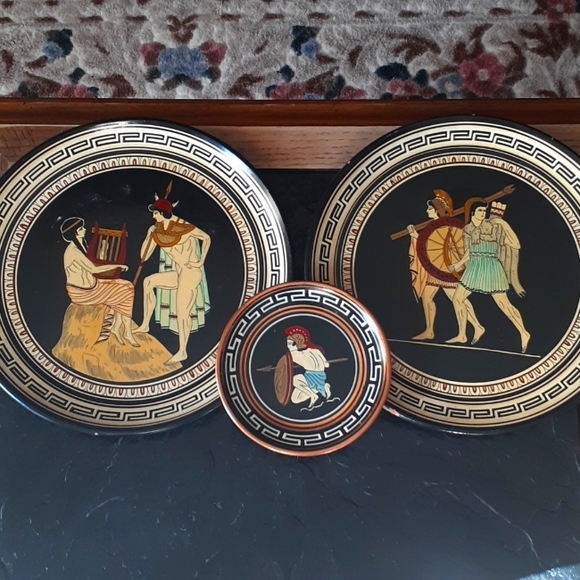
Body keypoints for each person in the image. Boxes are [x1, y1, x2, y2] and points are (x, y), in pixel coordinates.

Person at [134, 195, 211, 366]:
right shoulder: (158, 231)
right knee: (148, 282)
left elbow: (206, 237)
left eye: (155, 212)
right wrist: (148, 236)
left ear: (163, 213)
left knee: (182, 310)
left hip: (191, 272)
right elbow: (144, 256)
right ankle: (145, 324)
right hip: (178, 273)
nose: (153, 215)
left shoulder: (183, 227)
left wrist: (200, 261)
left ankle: (182, 351)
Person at [448, 199, 530, 352]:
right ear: (472, 212)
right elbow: (469, 251)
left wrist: (503, 223)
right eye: (480, 210)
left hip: (491, 267)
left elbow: (515, 244)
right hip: (474, 267)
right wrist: (458, 264)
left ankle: (524, 333)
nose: (483, 213)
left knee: (504, 305)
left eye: (484, 211)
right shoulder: (467, 229)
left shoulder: (493, 227)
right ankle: (464, 334)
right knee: (457, 298)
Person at [407, 191, 484, 343]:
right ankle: (429, 330)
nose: (427, 211)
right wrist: (415, 236)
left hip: (447, 270)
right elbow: (428, 246)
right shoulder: (431, 226)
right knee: (427, 297)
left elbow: (444, 244)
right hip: (434, 268)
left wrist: (416, 236)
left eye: (430, 208)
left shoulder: (447, 225)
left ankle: (473, 328)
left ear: (437, 210)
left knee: (458, 299)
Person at [60, 216, 139, 347]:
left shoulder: (80, 246)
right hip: (83, 293)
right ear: (75, 233)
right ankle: (125, 332)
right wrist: (117, 266)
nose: (84, 230)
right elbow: (93, 269)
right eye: (81, 229)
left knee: (125, 288)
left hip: (92, 287)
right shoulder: (73, 251)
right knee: (128, 288)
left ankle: (117, 329)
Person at [285, 326, 331, 409]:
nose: (288, 346)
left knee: (295, 379)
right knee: (295, 398)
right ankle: (323, 387)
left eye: (289, 343)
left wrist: (292, 349)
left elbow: (290, 356)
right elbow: (327, 365)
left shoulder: (296, 354)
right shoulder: (316, 350)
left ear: (296, 343)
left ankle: (313, 395)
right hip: (321, 376)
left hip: (310, 377)